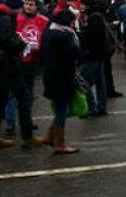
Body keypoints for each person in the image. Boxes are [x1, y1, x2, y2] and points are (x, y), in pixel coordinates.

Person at [0, 0, 44, 149]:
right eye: (23, 5)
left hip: (10, 66)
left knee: (8, 100)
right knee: (22, 98)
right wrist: (21, 44)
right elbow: (6, 41)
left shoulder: (3, 16)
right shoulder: (5, 18)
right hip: (9, 66)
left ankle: (25, 133)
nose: (24, 8)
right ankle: (27, 136)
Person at [41, 9, 81, 154]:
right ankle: (59, 142)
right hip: (62, 77)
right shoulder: (64, 36)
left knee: (62, 109)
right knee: (62, 110)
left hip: (51, 75)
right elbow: (75, 53)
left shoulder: (49, 32)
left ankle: (50, 135)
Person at [14, 0, 49, 130]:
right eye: (26, 3)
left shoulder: (43, 20)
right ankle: (19, 122)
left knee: (28, 93)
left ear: (36, 6)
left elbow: (45, 40)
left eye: (31, 4)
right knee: (18, 95)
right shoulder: (17, 19)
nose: (28, 6)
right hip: (18, 61)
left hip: (32, 62)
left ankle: (27, 120)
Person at [79, 0, 109, 116]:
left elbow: (92, 37)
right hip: (99, 55)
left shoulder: (93, 17)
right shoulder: (95, 16)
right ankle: (101, 107)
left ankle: (92, 107)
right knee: (100, 81)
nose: (80, 6)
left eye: (82, 4)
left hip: (93, 55)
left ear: (87, 5)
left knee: (83, 80)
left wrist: (82, 32)